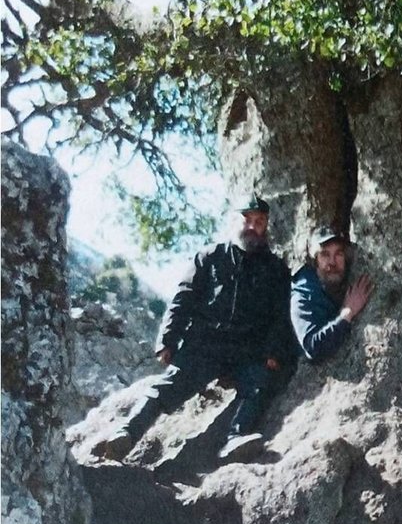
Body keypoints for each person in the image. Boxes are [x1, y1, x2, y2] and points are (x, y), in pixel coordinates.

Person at [93, 194, 297, 463]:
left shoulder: (276, 269)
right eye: (246, 220)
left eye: (259, 222)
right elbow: (183, 298)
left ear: (266, 227)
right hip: (205, 345)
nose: (252, 227)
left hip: (247, 350)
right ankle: (126, 434)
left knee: (259, 385)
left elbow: (280, 315)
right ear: (235, 221)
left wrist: (273, 351)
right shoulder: (210, 257)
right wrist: (168, 340)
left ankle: (236, 438)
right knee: (167, 386)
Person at [290, 226, 373, 362]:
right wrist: (347, 313)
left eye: (338, 254)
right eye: (325, 254)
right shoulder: (303, 294)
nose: (332, 262)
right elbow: (314, 348)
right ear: (315, 260)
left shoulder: (344, 279)